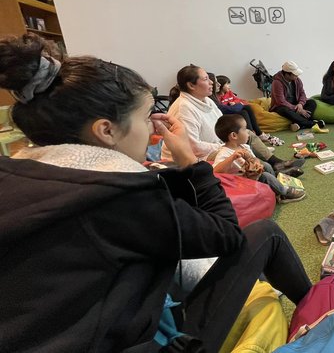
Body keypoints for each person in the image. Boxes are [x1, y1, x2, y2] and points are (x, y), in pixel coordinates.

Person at [0, 34, 312, 352]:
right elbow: (226, 235)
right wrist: (190, 161)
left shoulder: (17, 174)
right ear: (106, 130)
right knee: (266, 233)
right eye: (144, 118)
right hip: (141, 342)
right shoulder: (116, 197)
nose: (152, 128)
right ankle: (318, 315)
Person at [162, 64, 303, 176]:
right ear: (191, 85)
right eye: (205, 79)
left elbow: (223, 123)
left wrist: (234, 136)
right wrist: (226, 146)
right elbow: (193, 148)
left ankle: (276, 163)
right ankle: (271, 174)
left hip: (216, 144)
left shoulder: (206, 100)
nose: (211, 83)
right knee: (242, 151)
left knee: (247, 134)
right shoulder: (184, 108)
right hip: (197, 157)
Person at [213, 114, 306, 203]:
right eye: (245, 129)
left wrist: (256, 162)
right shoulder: (224, 153)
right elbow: (215, 171)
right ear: (234, 135)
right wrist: (232, 158)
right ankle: (284, 193)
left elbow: (255, 160)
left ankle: (277, 180)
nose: (248, 132)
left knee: (266, 165)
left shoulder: (244, 146)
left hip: (251, 176)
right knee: (265, 176)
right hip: (241, 183)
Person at [211, 73, 283, 146]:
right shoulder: (216, 98)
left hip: (233, 110)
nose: (229, 86)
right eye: (227, 84)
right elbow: (229, 109)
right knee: (243, 112)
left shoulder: (229, 93)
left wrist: (236, 103)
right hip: (228, 115)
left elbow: (239, 101)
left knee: (247, 108)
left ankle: (258, 134)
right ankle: (252, 136)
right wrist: (239, 105)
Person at [270, 60, 327, 132]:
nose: (297, 76)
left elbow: (302, 94)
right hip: (282, 107)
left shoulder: (297, 80)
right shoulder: (277, 82)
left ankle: (299, 124)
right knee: (284, 109)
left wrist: (300, 104)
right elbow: (280, 101)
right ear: (287, 74)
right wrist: (296, 109)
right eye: (295, 74)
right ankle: (311, 124)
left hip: (296, 104)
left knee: (312, 102)